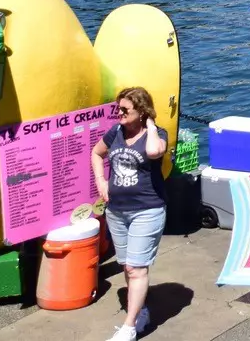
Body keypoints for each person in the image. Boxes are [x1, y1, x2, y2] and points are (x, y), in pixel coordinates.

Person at [92, 87, 168, 341]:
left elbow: (155, 152)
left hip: (147, 210)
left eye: (125, 110)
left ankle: (129, 327)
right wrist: (101, 181)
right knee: (127, 266)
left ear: (142, 111)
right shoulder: (115, 132)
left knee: (136, 268)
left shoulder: (156, 135)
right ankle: (140, 311)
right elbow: (96, 152)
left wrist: (152, 125)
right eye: (118, 108)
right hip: (116, 212)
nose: (119, 114)